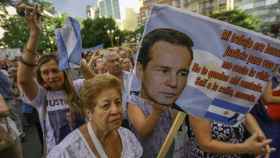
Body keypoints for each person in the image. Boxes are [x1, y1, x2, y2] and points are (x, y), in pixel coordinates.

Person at [17, 5, 84, 154]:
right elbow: (23, 79)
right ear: (40, 77)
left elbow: (101, 85)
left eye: (55, 70)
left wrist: (78, 58)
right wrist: (34, 34)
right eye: (45, 73)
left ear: (63, 70)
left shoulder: (79, 86)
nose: (51, 76)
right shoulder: (41, 97)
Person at [128, 28, 194, 157]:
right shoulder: (134, 103)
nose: (174, 83)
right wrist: (157, 112)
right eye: (164, 71)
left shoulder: (172, 101)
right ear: (140, 70)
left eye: (182, 73)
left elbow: (176, 128)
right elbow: (143, 131)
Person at [47, 74, 143, 158]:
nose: (115, 110)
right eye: (106, 105)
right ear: (89, 111)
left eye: (118, 103)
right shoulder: (67, 151)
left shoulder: (127, 137)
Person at [188, 113, 274, 158]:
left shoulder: (229, 95)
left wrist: (260, 136)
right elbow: (205, 144)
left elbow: (245, 115)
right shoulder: (200, 102)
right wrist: (246, 148)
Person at [250, 67, 280, 158]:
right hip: (265, 121)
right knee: (270, 149)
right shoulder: (266, 67)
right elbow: (267, 98)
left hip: (274, 119)